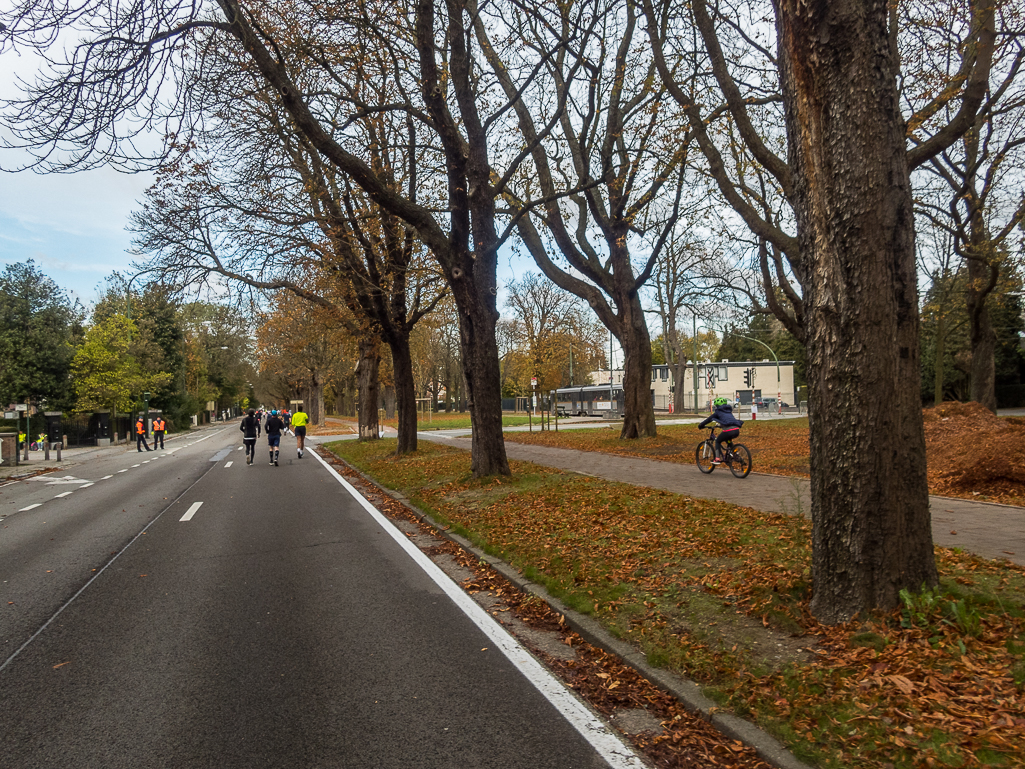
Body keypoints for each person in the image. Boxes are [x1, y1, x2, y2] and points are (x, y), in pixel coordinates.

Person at [698, 396, 743, 464]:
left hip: (728, 430)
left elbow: (709, 419)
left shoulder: (718, 412)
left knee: (718, 441)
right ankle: (735, 454)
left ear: (717, 406)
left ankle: (717, 458)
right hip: (736, 429)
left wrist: (701, 425)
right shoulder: (729, 411)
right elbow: (727, 419)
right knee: (728, 440)